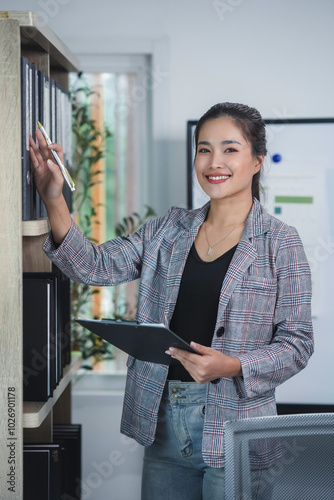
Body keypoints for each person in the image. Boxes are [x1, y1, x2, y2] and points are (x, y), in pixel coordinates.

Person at [29, 102, 314, 500]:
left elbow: (299, 343)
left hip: (237, 425)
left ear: (257, 161)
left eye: (230, 149)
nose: (215, 161)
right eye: (204, 149)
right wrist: (52, 196)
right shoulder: (169, 228)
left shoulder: (281, 242)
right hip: (163, 420)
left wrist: (231, 365)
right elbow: (94, 267)